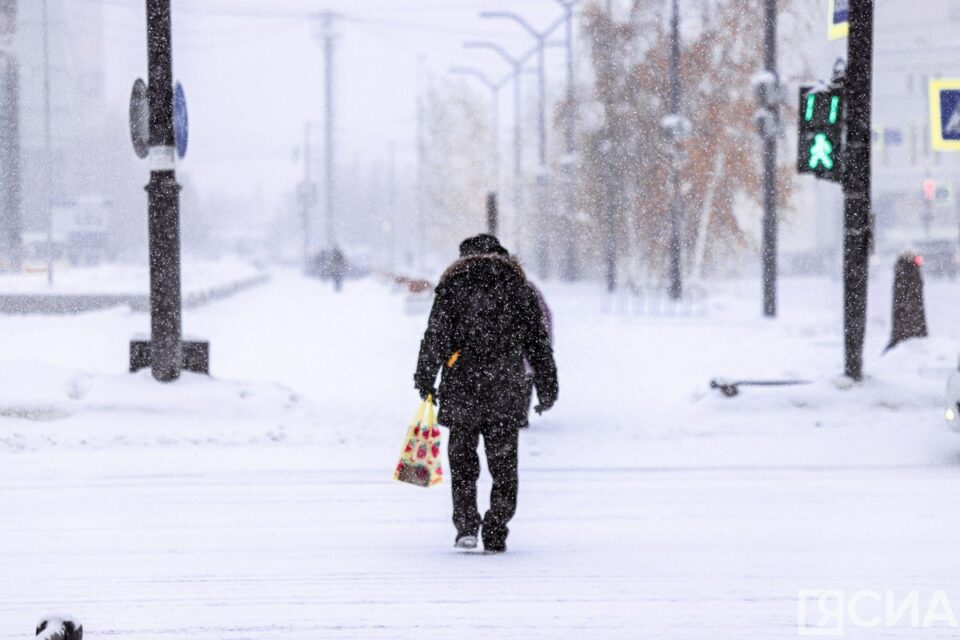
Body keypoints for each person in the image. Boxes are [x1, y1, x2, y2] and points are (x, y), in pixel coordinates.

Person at [414, 234, 558, 554]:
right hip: (506, 388)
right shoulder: (519, 289)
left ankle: (466, 525)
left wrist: (425, 377)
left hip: (462, 385)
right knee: (504, 463)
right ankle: (496, 528)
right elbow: (537, 341)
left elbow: (435, 336)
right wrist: (547, 384)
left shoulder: (452, 287)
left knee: (463, 461)